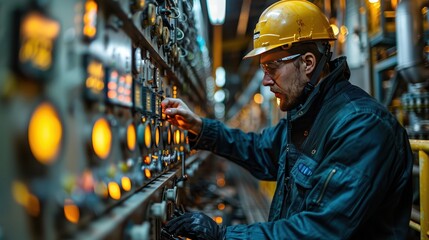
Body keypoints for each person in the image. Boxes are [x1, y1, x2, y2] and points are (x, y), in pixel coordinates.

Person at [162, 0, 413, 239]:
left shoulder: (363, 127)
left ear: (307, 63)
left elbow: (320, 231)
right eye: (263, 70)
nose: (266, 81)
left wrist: (224, 235)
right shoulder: (306, 119)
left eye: (272, 68)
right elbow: (259, 150)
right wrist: (200, 128)